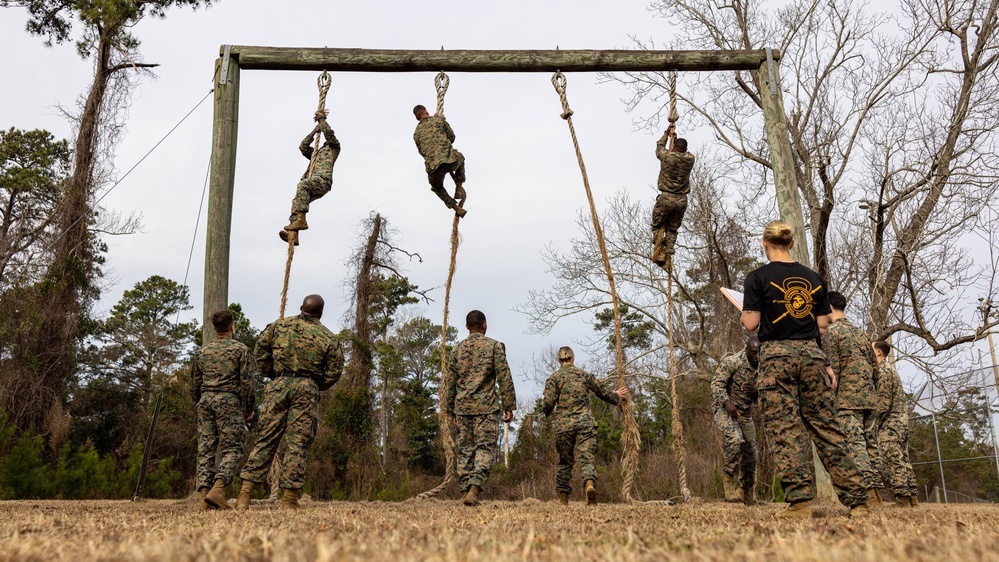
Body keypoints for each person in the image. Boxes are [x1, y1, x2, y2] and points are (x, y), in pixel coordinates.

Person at [741, 219, 869, 518]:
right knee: (827, 426)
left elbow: (750, 324)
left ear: (764, 244)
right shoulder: (814, 278)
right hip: (812, 356)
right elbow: (822, 326)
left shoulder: (757, 278)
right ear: (792, 243)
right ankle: (857, 500)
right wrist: (826, 363)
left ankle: (799, 502)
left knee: (785, 429)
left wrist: (746, 313)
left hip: (776, 358)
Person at [236, 294, 344, 510]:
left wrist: (273, 375)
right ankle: (289, 500)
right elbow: (334, 372)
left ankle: (244, 497)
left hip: (279, 385)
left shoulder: (279, 326)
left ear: (301, 307)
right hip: (307, 389)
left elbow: (260, 351)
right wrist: (315, 385)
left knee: (265, 439)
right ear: (321, 313)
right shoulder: (328, 338)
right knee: (298, 444)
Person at [445, 310, 516, 506]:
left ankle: (466, 490)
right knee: (485, 448)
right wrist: (508, 406)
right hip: (486, 408)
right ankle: (475, 489)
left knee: (465, 450)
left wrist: (451, 410)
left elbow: (449, 384)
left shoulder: (456, 351)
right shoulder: (494, 347)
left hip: (463, 408)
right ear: (484, 325)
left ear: (467, 326)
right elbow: (504, 377)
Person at [541, 346, 629, 506]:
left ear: (559, 360)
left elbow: (548, 403)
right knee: (587, 459)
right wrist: (616, 396)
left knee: (565, 462)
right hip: (585, 424)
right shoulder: (584, 375)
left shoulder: (554, 378)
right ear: (572, 358)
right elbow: (602, 392)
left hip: (564, 426)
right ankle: (589, 485)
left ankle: (563, 499)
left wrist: (546, 411)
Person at [190, 310, 257, 510]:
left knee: (205, 450)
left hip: (205, 402)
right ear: (232, 327)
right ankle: (218, 489)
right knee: (233, 449)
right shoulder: (240, 350)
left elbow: (194, 383)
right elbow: (248, 382)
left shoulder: (203, 351)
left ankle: (204, 499)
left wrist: (200, 402)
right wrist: (249, 407)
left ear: (213, 328)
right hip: (229, 401)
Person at [827, 291, 884, 507]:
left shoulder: (833, 333)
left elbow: (835, 370)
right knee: (871, 446)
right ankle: (877, 491)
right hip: (869, 398)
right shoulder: (862, 334)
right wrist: (872, 391)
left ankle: (868, 492)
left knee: (855, 445)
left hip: (847, 400)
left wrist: (830, 396)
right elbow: (875, 369)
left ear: (830, 307)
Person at [710, 336, 761, 505]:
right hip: (724, 408)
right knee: (735, 439)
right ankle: (729, 480)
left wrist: (757, 389)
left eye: (759, 352)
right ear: (746, 350)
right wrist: (727, 403)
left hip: (744, 412)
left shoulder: (764, 365)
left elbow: (772, 386)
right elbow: (717, 383)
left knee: (751, 451)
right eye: (753, 352)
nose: (757, 356)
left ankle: (745, 490)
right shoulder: (733, 361)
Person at [280, 111, 341, 244]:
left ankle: (302, 221)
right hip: (314, 183)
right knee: (297, 202)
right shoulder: (316, 153)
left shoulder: (334, 148)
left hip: (322, 181)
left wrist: (322, 121)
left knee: (303, 185)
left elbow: (329, 134)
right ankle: (293, 237)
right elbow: (303, 147)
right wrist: (314, 131)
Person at [873, 340, 919, 508]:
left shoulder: (883, 371)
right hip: (900, 422)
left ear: (878, 352)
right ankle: (913, 497)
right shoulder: (891, 370)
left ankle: (902, 499)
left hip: (890, 424)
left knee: (892, 459)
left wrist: (875, 422)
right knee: (903, 459)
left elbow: (883, 403)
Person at [650, 123, 694, 270]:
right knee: (673, 230)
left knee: (656, 226)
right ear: (685, 149)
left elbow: (659, 148)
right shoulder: (690, 158)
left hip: (666, 198)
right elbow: (681, 152)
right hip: (681, 200)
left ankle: (660, 252)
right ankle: (668, 256)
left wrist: (666, 134)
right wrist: (675, 142)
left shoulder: (667, 156)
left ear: (674, 147)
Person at [413, 104, 467, 218]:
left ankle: (456, 207)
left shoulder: (416, 133)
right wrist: (442, 121)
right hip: (450, 161)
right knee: (461, 158)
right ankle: (458, 187)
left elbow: (421, 151)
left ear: (417, 118)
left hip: (433, 168)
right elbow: (452, 138)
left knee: (436, 187)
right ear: (426, 112)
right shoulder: (438, 120)